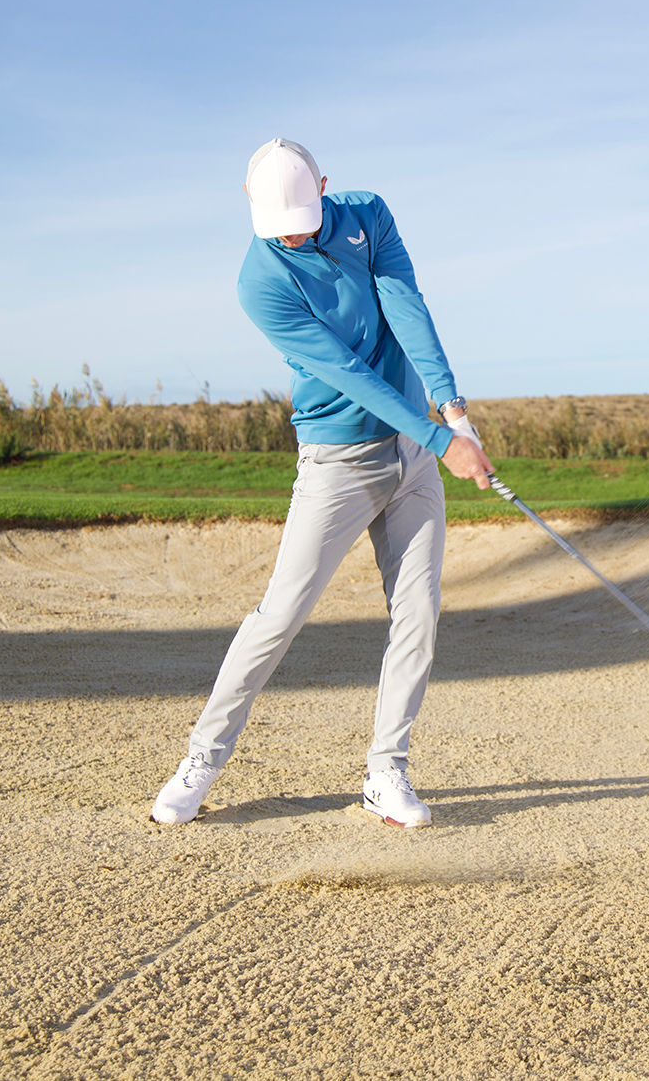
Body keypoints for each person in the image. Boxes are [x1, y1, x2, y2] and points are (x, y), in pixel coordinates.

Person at [151, 138, 494, 828]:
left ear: (326, 187)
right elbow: (349, 374)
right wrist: (440, 437)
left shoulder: (368, 215)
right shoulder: (260, 281)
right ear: (252, 206)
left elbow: (406, 308)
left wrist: (454, 411)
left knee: (419, 615)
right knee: (278, 616)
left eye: (305, 218)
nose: (297, 234)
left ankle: (385, 773)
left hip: (411, 457)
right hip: (337, 463)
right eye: (282, 225)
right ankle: (203, 757)